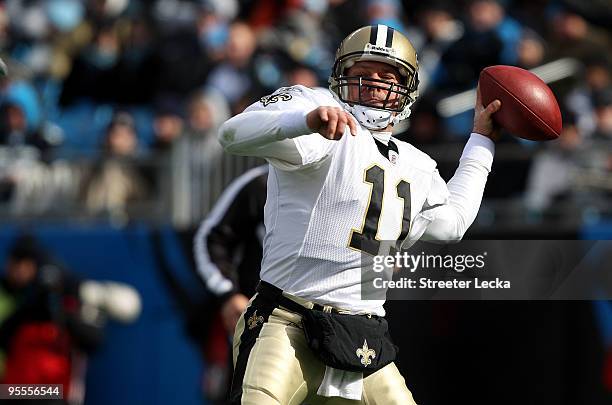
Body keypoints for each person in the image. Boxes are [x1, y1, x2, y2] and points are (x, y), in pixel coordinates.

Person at [218, 24, 501, 404]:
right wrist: (305, 121)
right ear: (340, 77)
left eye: (386, 77)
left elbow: (451, 224)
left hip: (363, 336)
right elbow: (232, 134)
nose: (373, 84)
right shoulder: (315, 109)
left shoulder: (417, 165)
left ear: (407, 91)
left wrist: (482, 141)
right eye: (362, 74)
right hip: (286, 323)